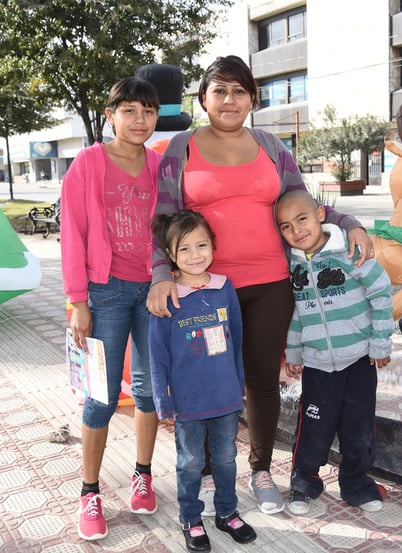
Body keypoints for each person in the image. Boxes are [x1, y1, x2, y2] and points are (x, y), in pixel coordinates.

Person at [146, 54, 375, 515]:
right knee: (209, 378)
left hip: (272, 282)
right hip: (206, 290)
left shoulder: (271, 145)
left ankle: (261, 469)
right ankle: (209, 475)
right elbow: (164, 218)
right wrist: (160, 273)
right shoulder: (182, 149)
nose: (229, 100)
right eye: (219, 91)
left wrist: (349, 222)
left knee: (261, 382)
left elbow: (303, 205)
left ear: (252, 97)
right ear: (204, 99)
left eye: (239, 90)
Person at [60, 77, 162, 540]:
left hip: (153, 291)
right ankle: (89, 492)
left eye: (148, 111)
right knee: (100, 394)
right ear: (110, 115)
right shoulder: (88, 162)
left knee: (147, 389)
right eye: (129, 111)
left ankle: (143, 474)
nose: (139, 120)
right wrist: (77, 299)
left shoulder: (161, 165)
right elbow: (73, 234)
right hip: (106, 292)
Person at [275, 189, 393, 515]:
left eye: (302, 219)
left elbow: (381, 293)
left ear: (320, 215)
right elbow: (299, 313)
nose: (296, 230)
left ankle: (356, 484)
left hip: (358, 360)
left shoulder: (349, 253)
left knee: (358, 429)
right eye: (286, 226)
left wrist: (380, 342)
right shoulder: (295, 268)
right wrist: (295, 353)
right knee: (313, 428)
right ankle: (304, 482)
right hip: (317, 366)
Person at [149, 210, 257, 552]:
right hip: (188, 402)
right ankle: (191, 518)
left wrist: (239, 385)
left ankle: (227, 512)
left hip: (225, 397)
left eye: (202, 245)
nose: (195, 255)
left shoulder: (224, 288)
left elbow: (237, 339)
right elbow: (157, 354)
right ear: (169, 255)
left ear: (213, 246)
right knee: (191, 462)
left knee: (225, 457)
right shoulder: (167, 296)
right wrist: (162, 401)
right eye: (184, 249)